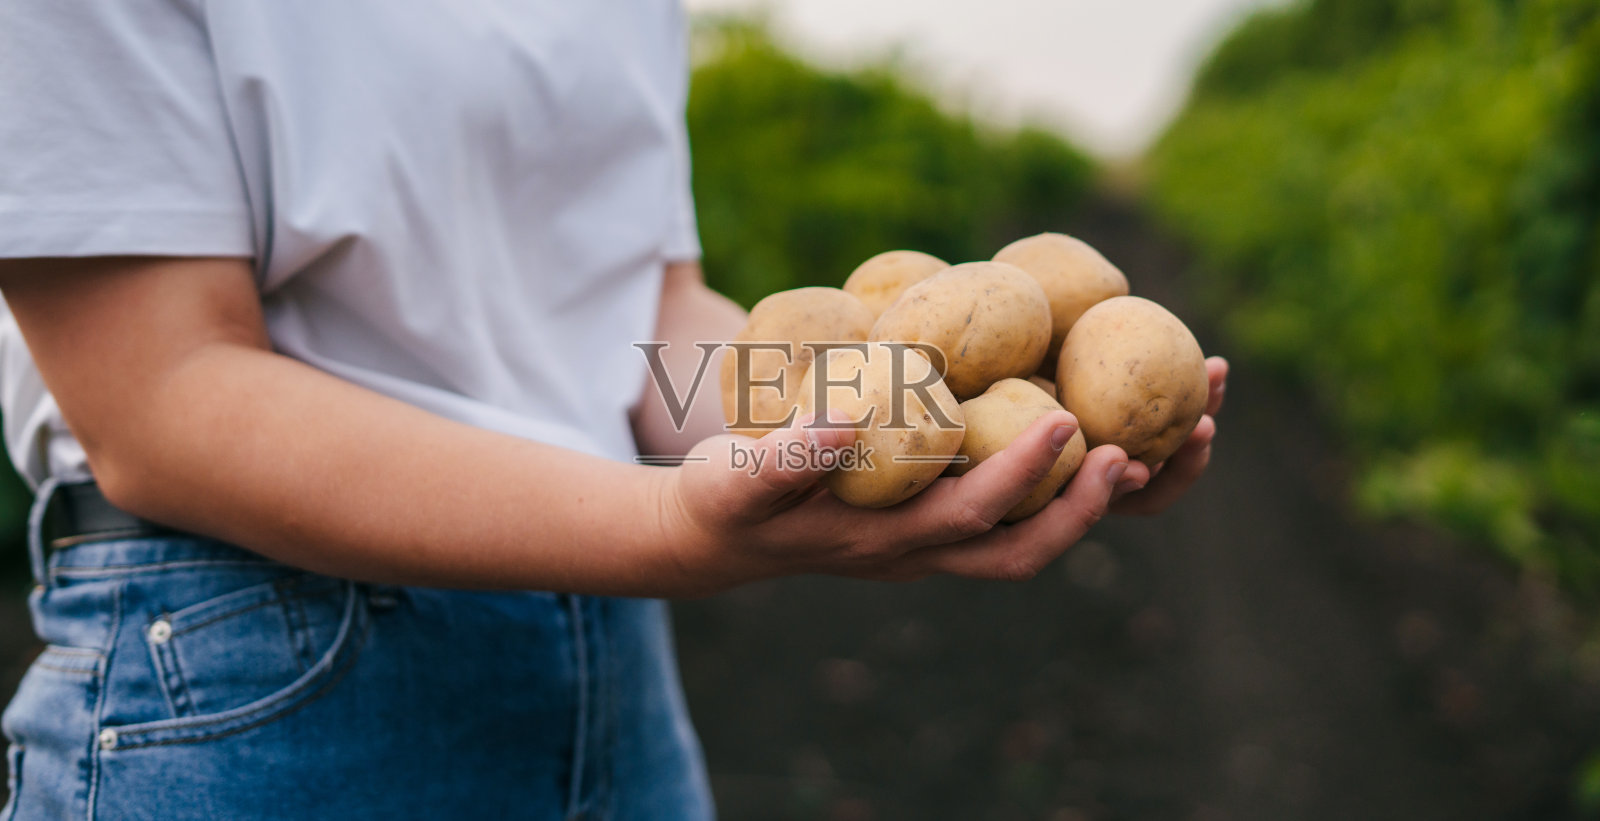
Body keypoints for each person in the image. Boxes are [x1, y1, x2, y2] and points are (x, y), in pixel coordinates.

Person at [0, 1, 1226, 819]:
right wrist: (672, 531)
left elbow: (640, 322)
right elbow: (160, 397)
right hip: (253, 673)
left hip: (612, 668)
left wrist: (838, 435)